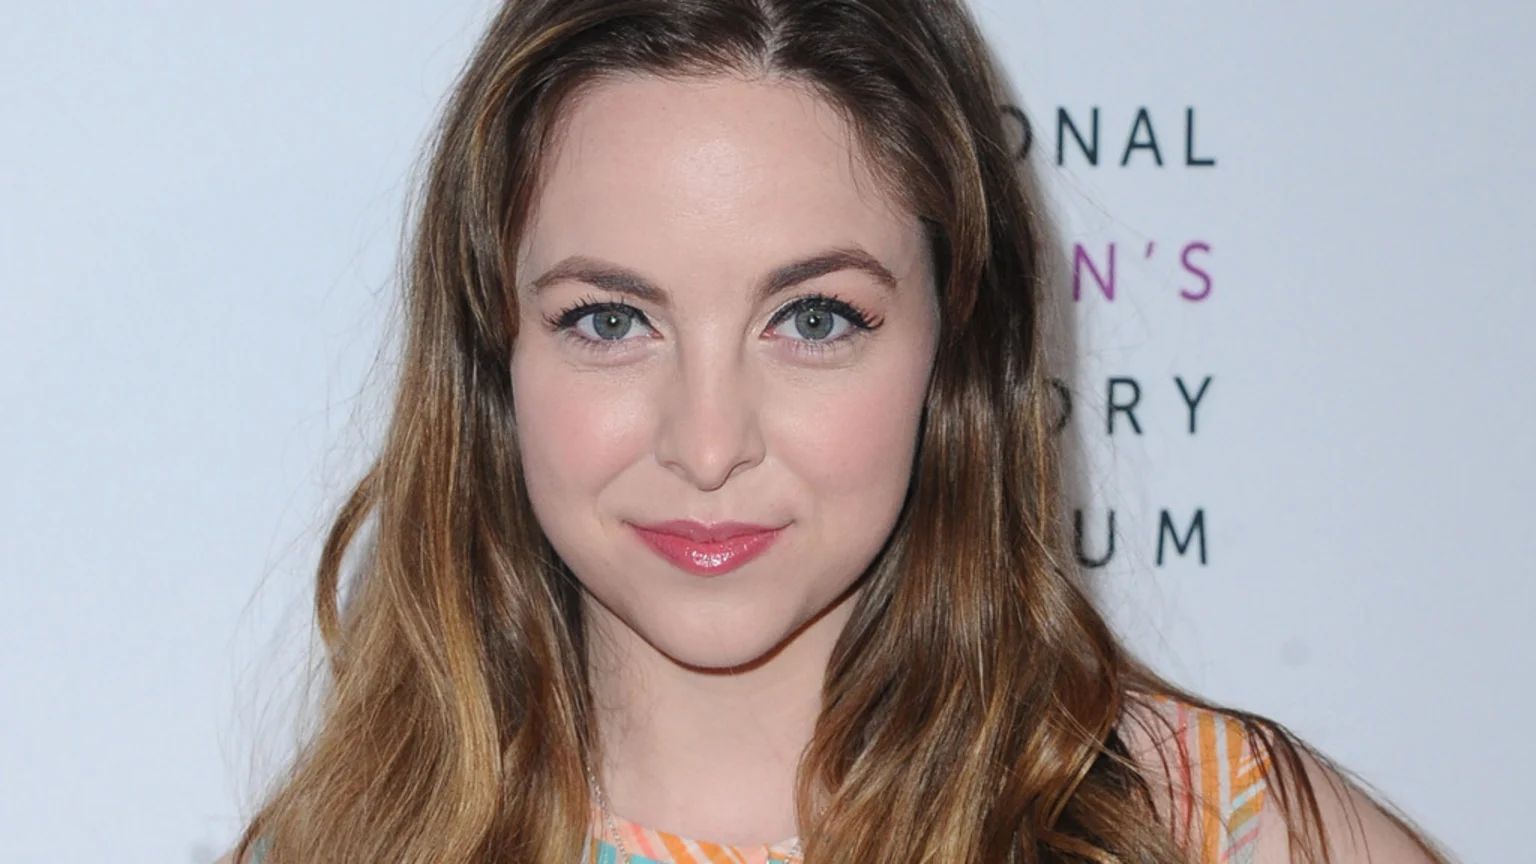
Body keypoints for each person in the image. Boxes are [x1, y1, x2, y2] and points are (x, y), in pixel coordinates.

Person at [224, 1, 1456, 862]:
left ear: (956, 337)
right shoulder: (340, 851)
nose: (708, 445)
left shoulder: (1210, 827)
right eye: (610, 319)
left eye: (812, 318)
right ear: (496, 350)